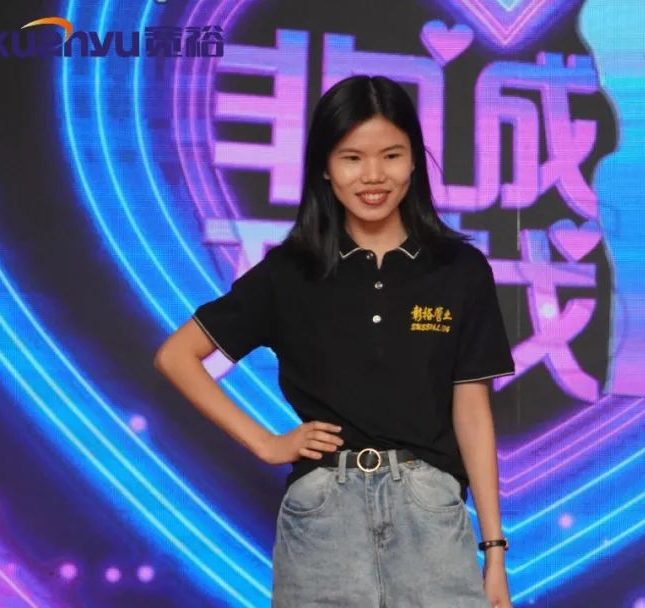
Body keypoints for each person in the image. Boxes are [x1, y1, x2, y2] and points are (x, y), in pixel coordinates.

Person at [153, 75, 515, 607]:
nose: (373, 176)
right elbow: (177, 355)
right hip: (323, 518)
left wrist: (494, 552)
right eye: (351, 158)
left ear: (414, 161)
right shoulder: (291, 271)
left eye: (391, 155)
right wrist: (266, 443)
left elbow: (472, 413)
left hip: (431, 514)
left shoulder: (459, 269)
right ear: (325, 167)